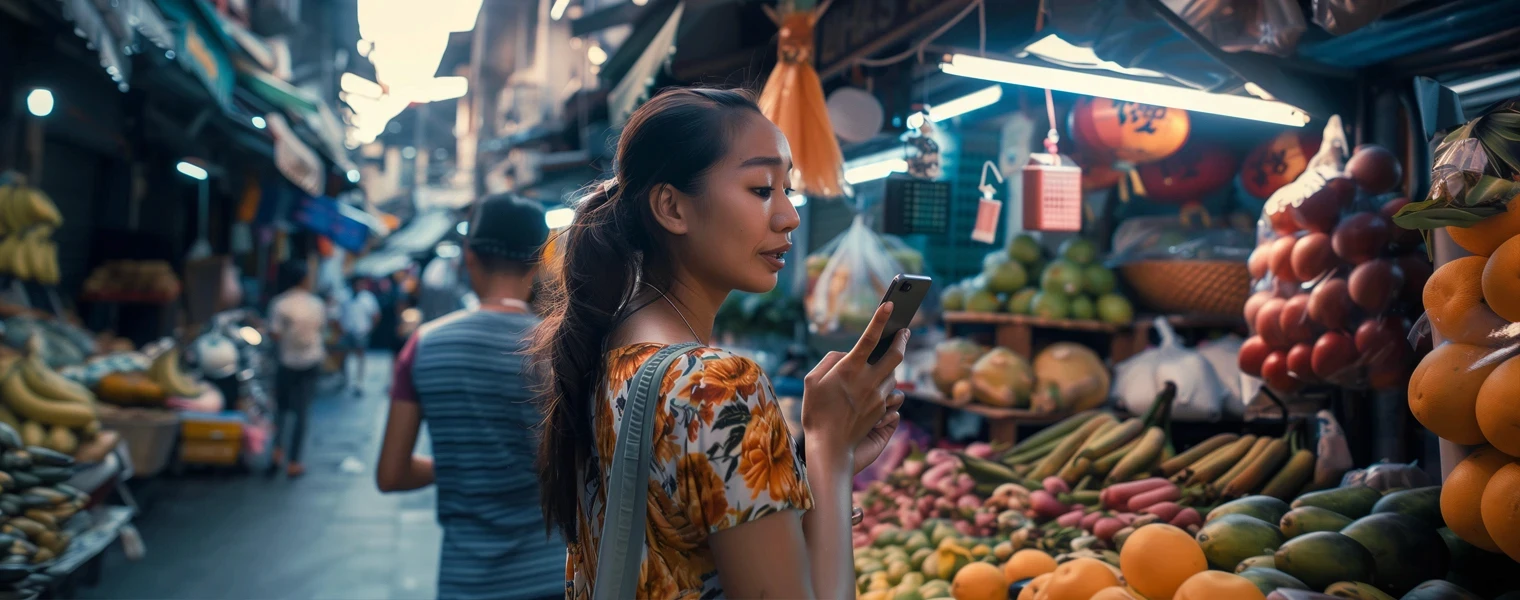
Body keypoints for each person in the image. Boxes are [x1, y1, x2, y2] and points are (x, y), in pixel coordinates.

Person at [530, 88, 907, 599]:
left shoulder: (609, 351)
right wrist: (828, 449)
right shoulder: (718, 384)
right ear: (671, 207)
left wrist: (807, 472)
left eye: (787, 190)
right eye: (760, 189)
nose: (789, 216)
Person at [376, 193, 563, 600]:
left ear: (469, 257)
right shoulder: (560, 349)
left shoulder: (423, 347)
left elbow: (392, 474)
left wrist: (461, 464)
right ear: (536, 263)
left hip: (468, 580)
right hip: (554, 574)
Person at [268, 259, 328, 478]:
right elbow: (322, 328)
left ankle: (276, 451)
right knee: (302, 412)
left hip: (286, 361)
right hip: (311, 361)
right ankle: (294, 461)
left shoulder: (280, 303)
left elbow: (275, 334)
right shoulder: (316, 304)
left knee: (281, 410)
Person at [339, 277, 381, 393]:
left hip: (361, 332)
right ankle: (345, 379)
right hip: (347, 331)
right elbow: (339, 313)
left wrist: (370, 328)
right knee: (343, 356)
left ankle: (359, 382)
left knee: (360, 356)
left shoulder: (367, 298)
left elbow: (376, 315)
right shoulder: (344, 296)